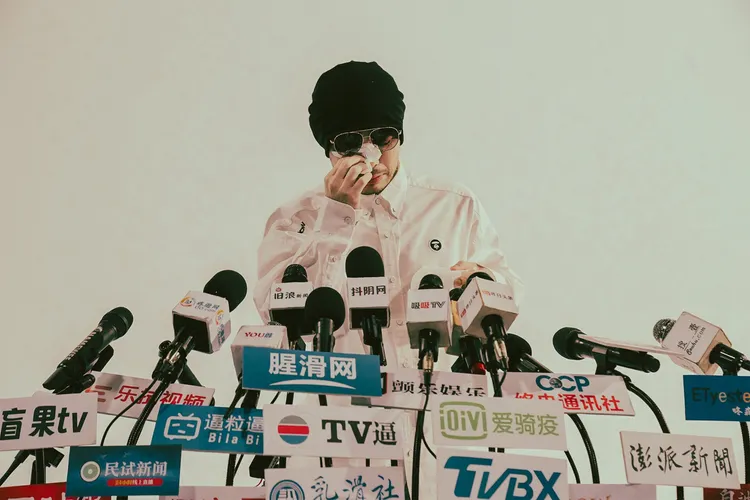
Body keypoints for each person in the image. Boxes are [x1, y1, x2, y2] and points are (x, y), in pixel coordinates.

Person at [253, 60, 523, 497]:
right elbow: (278, 317)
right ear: (327, 148)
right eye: (350, 142)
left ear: (400, 133)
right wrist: (337, 215)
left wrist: (485, 281)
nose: (372, 155)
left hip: (446, 420)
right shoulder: (294, 218)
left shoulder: (454, 204)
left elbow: (507, 290)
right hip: (336, 427)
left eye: (384, 137)